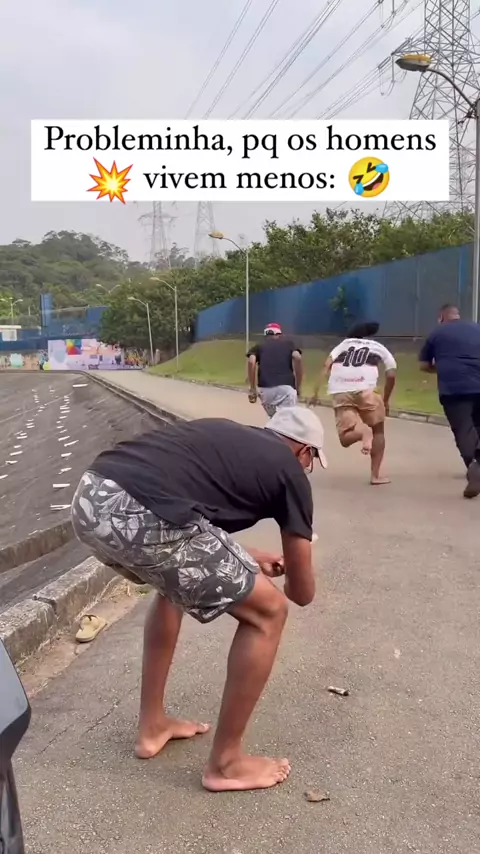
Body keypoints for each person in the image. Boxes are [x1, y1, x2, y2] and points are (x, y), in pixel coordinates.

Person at [71, 407, 327, 792]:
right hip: (142, 514)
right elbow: (302, 594)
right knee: (269, 612)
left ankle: (152, 726)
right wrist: (294, 565)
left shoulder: (227, 437)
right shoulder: (289, 471)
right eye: (311, 461)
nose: (306, 469)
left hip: (93, 497)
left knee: (172, 587)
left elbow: (194, 529)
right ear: (304, 451)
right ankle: (226, 764)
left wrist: (249, 559)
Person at [310, 321, 396, 485]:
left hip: (341, 391)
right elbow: (391, 374)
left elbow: (326, 365)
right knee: (378, 431)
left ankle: (362, 433)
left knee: (345, 438)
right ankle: (375, 475)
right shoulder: (378, 347)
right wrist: (385, 400)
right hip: (367, 391)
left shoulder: (343, 345)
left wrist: (315, 392)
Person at [419, 303, 480, 498]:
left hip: (454, 389)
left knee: (463, 429)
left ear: (441, 317)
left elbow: (424, 365)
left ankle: (474, 465)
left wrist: (442, 367)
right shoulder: (476, 328)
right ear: (457, 315)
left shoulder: (436, 333)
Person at [247, 323, 303, 417]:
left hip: (266, 390)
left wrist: (252, 388)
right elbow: (297, 357)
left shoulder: (259, 346)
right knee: (288, 419)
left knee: (275, 419)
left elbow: (251, 361)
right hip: (286, 388)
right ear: (279, 334)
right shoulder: (288, 344)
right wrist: (298, 386)